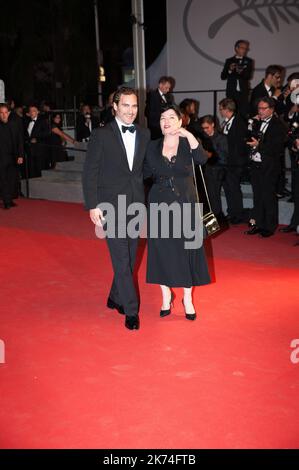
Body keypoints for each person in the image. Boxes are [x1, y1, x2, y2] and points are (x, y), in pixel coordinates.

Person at [82, 87, 150, 330]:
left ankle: (115, 296)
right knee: (122, 260)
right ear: (115, 107)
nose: (131, 111)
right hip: (109, 205)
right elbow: (90, 172)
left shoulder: (144, 133)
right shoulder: (101, 135)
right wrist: (92, 205)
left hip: (135, 204)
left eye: (134, 106)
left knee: (129, 258)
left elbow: (146, 169)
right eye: (125, 106)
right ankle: (131, 311)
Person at [144, 104, 210, 320]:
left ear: (180, 121)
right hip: (159, 204)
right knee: (161, 251)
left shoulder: (188, 143)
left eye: (172, 117)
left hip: (186, 203)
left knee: (188, 251)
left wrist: (188, 135)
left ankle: (187, 298)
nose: (166, 121)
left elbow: (202, 159)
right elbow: (141, 173)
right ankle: (165, 296)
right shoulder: (152, 146)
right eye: (163, 117)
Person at [245, 97, 286, 237]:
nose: (260, 111)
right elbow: (249, 139)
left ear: (272, 109)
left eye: (263, 108)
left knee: (268, 196)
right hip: (255, 164)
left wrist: (259, 146)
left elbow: (277, 148)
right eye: (259, 108)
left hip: (269, 166)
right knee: (258, 196)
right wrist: (251, 125)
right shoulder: (257, 122)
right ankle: (258, 223)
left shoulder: (279, 125)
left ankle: (269, 226)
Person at [221, 40, 253, 117]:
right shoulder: (229, 61)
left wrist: (240, 71)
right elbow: (223, 76)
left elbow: (248, 76)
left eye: (246, 48)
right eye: (242, 48)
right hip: (231, 92)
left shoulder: (248, 61)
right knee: (232, 114)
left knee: (243, 114)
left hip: (243, 92)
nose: (244, 50)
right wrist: (230, 70)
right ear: (236, 48)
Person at [0, 103, 23, 209]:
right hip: (1, 157)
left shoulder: (14, 124)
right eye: (1, 113)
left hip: (12, 156)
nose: (4, 115)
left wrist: (20, 155)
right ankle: (6, 201)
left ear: (9, 113)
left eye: (6, 112)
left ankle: (9, 199)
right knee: (3, 179)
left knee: (11, 179)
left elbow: (19, 141)